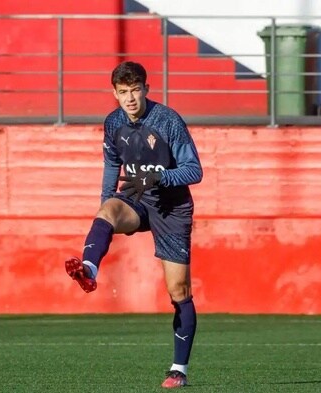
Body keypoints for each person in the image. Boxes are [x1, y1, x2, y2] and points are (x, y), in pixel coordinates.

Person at [65, 61, 203, 389]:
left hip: (172, 207)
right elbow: (112, 163)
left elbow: (194, 170)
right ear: (115, 94)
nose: (130, 98)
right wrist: (104, 204)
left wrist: (159, 176)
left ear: (146, 89)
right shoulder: (113, 123)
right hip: (137, 198)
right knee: (108, 211)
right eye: (123, 92)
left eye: (135, 90)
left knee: (178, 290)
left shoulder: (168, 120)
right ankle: (89, 270)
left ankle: (178, 369)